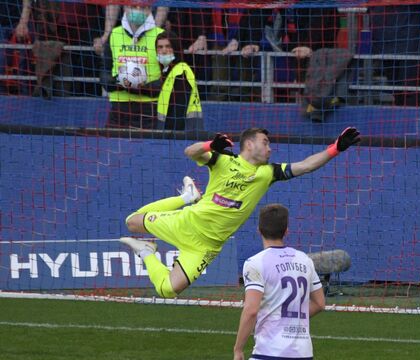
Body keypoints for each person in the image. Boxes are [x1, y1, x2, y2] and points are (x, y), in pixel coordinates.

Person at [120, 127, 361, 298]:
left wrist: (335, 148)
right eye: (265, 142)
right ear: (249, 144)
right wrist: (209, 145)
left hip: (206, 247)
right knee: (132, 222)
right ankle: (186, 198)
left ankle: (147, 252)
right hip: (186, 223)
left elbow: (307, 165)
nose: (270, 148)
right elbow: (190, 152)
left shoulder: (269, 173)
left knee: (168, 290)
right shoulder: (223, 160)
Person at [233, 203, 325, 360]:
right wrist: (290, 319)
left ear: (259, 230)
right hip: (303, 353)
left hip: (269, 351)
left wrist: (238, 349)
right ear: (286, 231)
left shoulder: (255, 262)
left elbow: (251, 310)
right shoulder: (304, 259)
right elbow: (319, 303)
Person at [100, 4, 164, 129]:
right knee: (111, 147)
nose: (138, 11)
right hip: (118, 109)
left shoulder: (161, 35)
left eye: (142, 7)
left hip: (149, 109)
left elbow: (169, 76)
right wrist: (119, 83)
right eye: (133, 6)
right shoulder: (114, 34)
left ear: (149, 9)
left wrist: (141, 88)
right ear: (125, 8)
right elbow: (104, 70)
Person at [154, 32, 203, 131]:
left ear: (175, 49)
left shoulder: (180, 72)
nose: (164, 51)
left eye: (168, 46)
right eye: (160, 47)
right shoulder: (168, 72)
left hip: (182, 134)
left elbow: (179, 110)